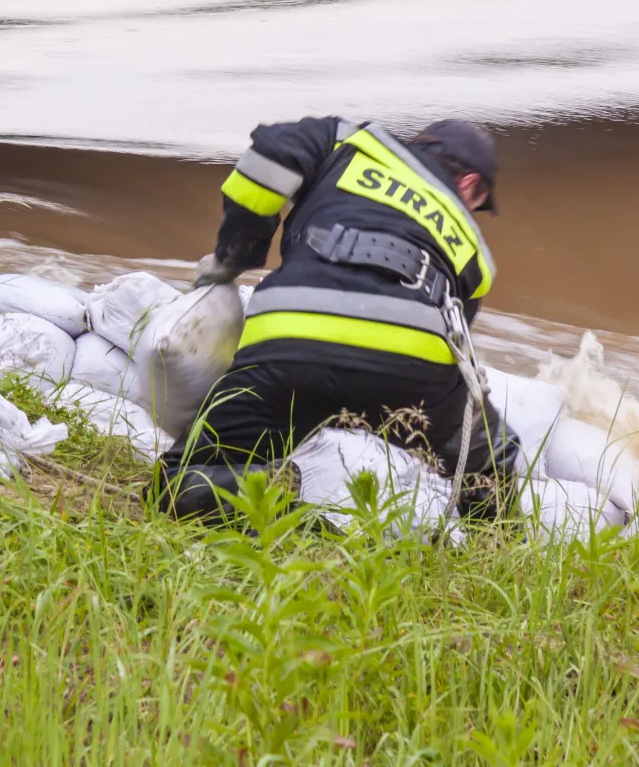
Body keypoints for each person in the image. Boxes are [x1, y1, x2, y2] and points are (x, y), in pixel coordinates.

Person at [154, 117, 518, 519]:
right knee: (489, 453)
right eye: (480, 201)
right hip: (412, 376)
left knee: (182, 477)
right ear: (470, 184)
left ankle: (263, 484)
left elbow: (266, 161)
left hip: (292, 344)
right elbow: (457, 350)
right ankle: (493, 540)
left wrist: (236, 255)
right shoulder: (476, 253)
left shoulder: (347, 143)